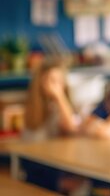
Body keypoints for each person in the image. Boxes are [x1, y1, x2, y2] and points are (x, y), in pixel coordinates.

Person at [22, 58, 82, 193]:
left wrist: (60, 97)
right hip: (37, 163)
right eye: (51, 80)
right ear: (41, 82)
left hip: (59, 163)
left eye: (59, 81)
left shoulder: (62, 105)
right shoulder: (34, 106)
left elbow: (72, 127)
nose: (55, 86)